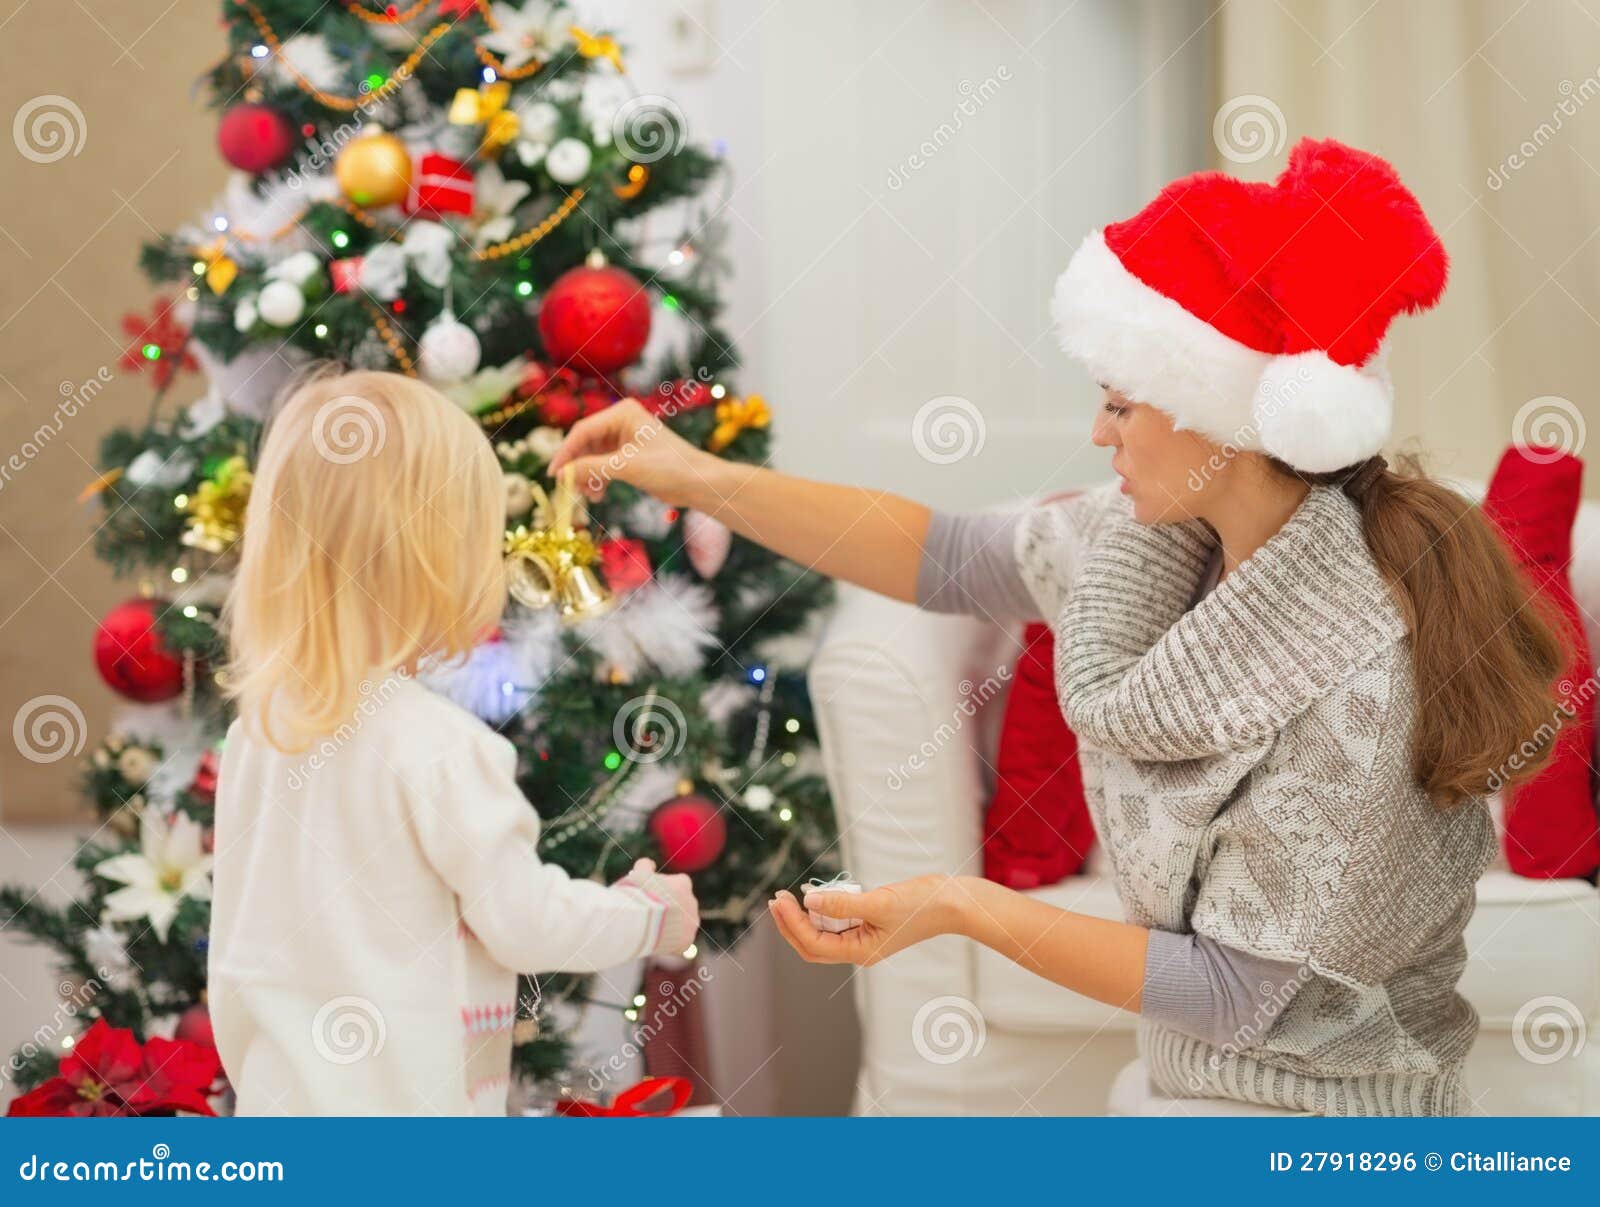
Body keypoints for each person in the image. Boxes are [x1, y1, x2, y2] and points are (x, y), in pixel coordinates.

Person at [549, 138, 1567, 1116]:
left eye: (1122, 404)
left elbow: (1232, 989)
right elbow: (938, 554)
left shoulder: (1357, 674)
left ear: (1216, 415)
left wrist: (958, 905)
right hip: (1190, 1097)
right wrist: (697, 477)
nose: (1097, 432)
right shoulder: (1159, 545)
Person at [209, 369, 698, 1116]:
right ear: (439, 557)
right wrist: (646, 914)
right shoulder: (438, 748)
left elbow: (242, 948)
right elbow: (526, 922)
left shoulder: (260, 733)